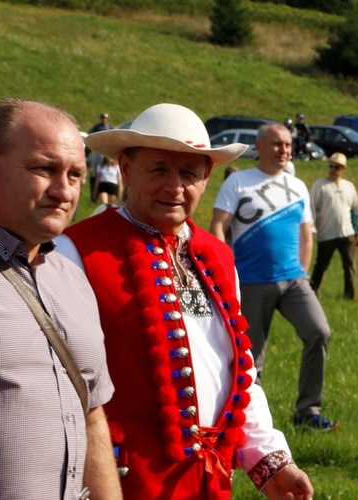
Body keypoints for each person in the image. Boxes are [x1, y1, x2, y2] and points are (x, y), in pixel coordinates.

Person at [57, 104, 314, 499]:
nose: (174, 186)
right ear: (126, 170)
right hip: (122, 479)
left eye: (189, 173)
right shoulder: (75, 250)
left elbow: (235, 370)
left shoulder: (219, 255)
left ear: (206, 178)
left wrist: (272, 461)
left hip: (207, 481)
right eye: (158, 169)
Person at [0, 98, 120, 498]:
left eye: (76, 174)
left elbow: (91, 416)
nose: (64, 191)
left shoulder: (71, 278)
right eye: (44, 169)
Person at [210, 123, 337, 431]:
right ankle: (251, 423)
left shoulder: (297, 186)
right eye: (278, 144)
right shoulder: (238, 182)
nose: (284, 150)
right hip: (252, 281)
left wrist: (303, 273)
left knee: (319, 332)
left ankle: (307, 411)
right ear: (260, 146)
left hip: (294, 281)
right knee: (252, 357)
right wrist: (227, 273)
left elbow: (306, 233)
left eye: (288, 145)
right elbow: (216, 227)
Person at [309, 152, 358, 300]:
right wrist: (311, 228)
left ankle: (350, 296)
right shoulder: (319, 185)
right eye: (331, 166)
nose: (333, 169)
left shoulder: (349, 186)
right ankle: (312, 294)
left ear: (343, 169)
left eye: (336, 167)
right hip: (326, 234)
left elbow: (356, 209)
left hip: (347, 234)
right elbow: (311, 208)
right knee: (320, 266)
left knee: (350, 267)